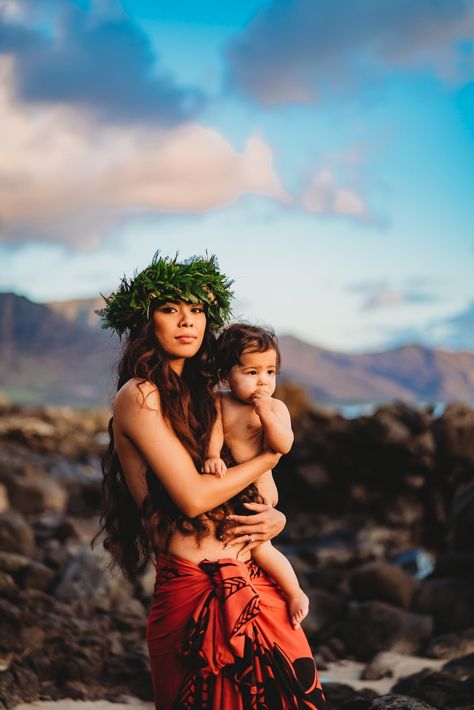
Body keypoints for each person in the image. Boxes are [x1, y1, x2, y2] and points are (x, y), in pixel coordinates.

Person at [94, 253, 326, 709]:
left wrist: (275, 517)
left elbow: (242, 484)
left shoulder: (211, 398)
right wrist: (273, 456)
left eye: (197, 310)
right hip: (192, 592)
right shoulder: (138, 395)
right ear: (145, 322)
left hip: (257, 581)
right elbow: (195, 497)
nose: (187, 321)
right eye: (169, 309)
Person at [203, 323, 309, 629]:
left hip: (261, 493)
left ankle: (295, 592)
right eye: (251, 373)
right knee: (245, 545)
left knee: (263, 548)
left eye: (270, 372)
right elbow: (215, 434)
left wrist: (266, 414)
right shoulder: (219, 402)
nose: (262, 382)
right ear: (226, 376)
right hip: (233, 488)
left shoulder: (276, 408)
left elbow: (282, 445)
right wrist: (211, 456)